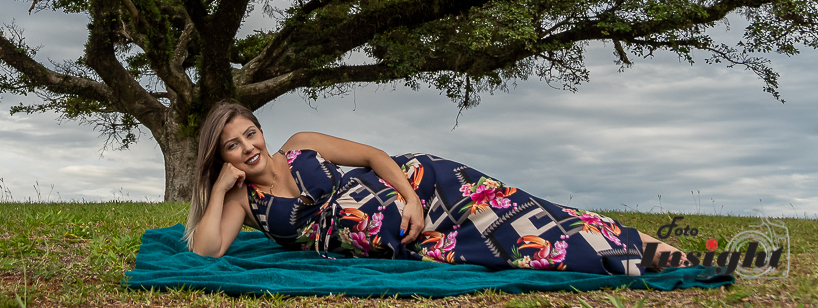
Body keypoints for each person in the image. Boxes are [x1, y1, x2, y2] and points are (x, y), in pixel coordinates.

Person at [185, 101, 688, 275]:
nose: (247, 147)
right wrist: (221, 188)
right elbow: (207, 251)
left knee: (523, 212)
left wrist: (409, 198)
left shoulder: (300, 145)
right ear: (221, 155)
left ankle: (651, 248)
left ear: (261, 130)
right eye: (232, 145)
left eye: (250, 133)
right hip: (404, 241)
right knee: (519, 249)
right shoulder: (243, 200)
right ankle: (624, 254)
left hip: (425, 187)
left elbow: (373, 157)